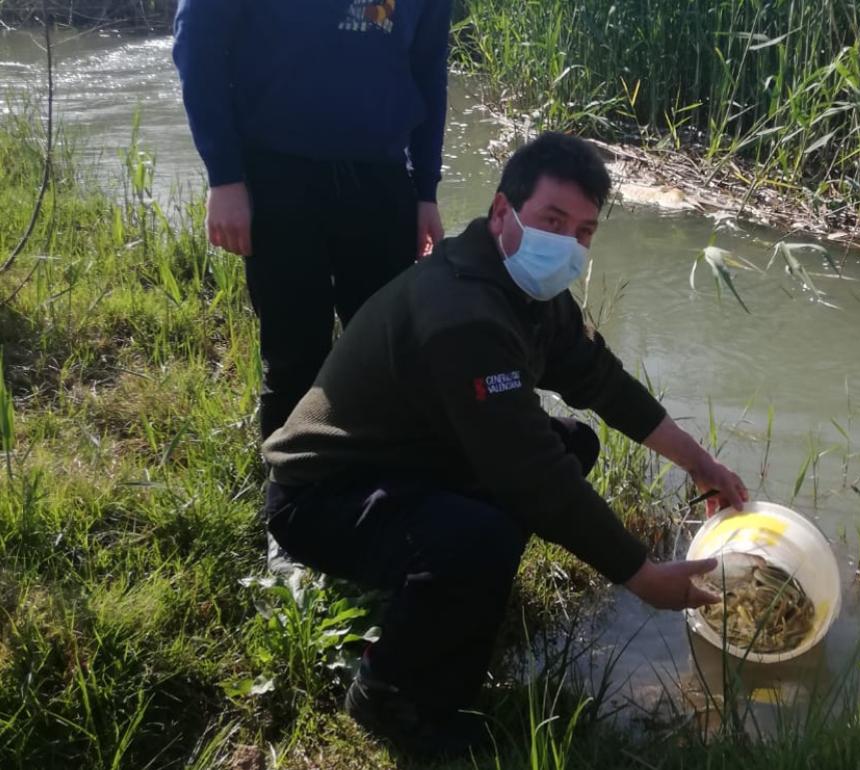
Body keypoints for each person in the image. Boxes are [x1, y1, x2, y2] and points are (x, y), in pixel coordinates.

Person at [261, 132, 750, 759]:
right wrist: (644, 576)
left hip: (406, 454)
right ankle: (391, 691)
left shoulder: (530, 290)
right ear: (502, 213)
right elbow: (531, 477)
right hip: (321, 497)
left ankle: (449, 588)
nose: (568, 243)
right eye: (552, 219)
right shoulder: (462, 312)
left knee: (572, 444)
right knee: (484, 532)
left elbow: (602, 383)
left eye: (584, 231)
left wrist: (698, 461)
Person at [172, 0, 452, 441]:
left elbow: (429, 70)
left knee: (387, 355)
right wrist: (224, 177)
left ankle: (379, 492)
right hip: (278, 177)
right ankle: (292, 498)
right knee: (294, 358)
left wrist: (425, 189)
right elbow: (197, 44)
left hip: (382, 180)